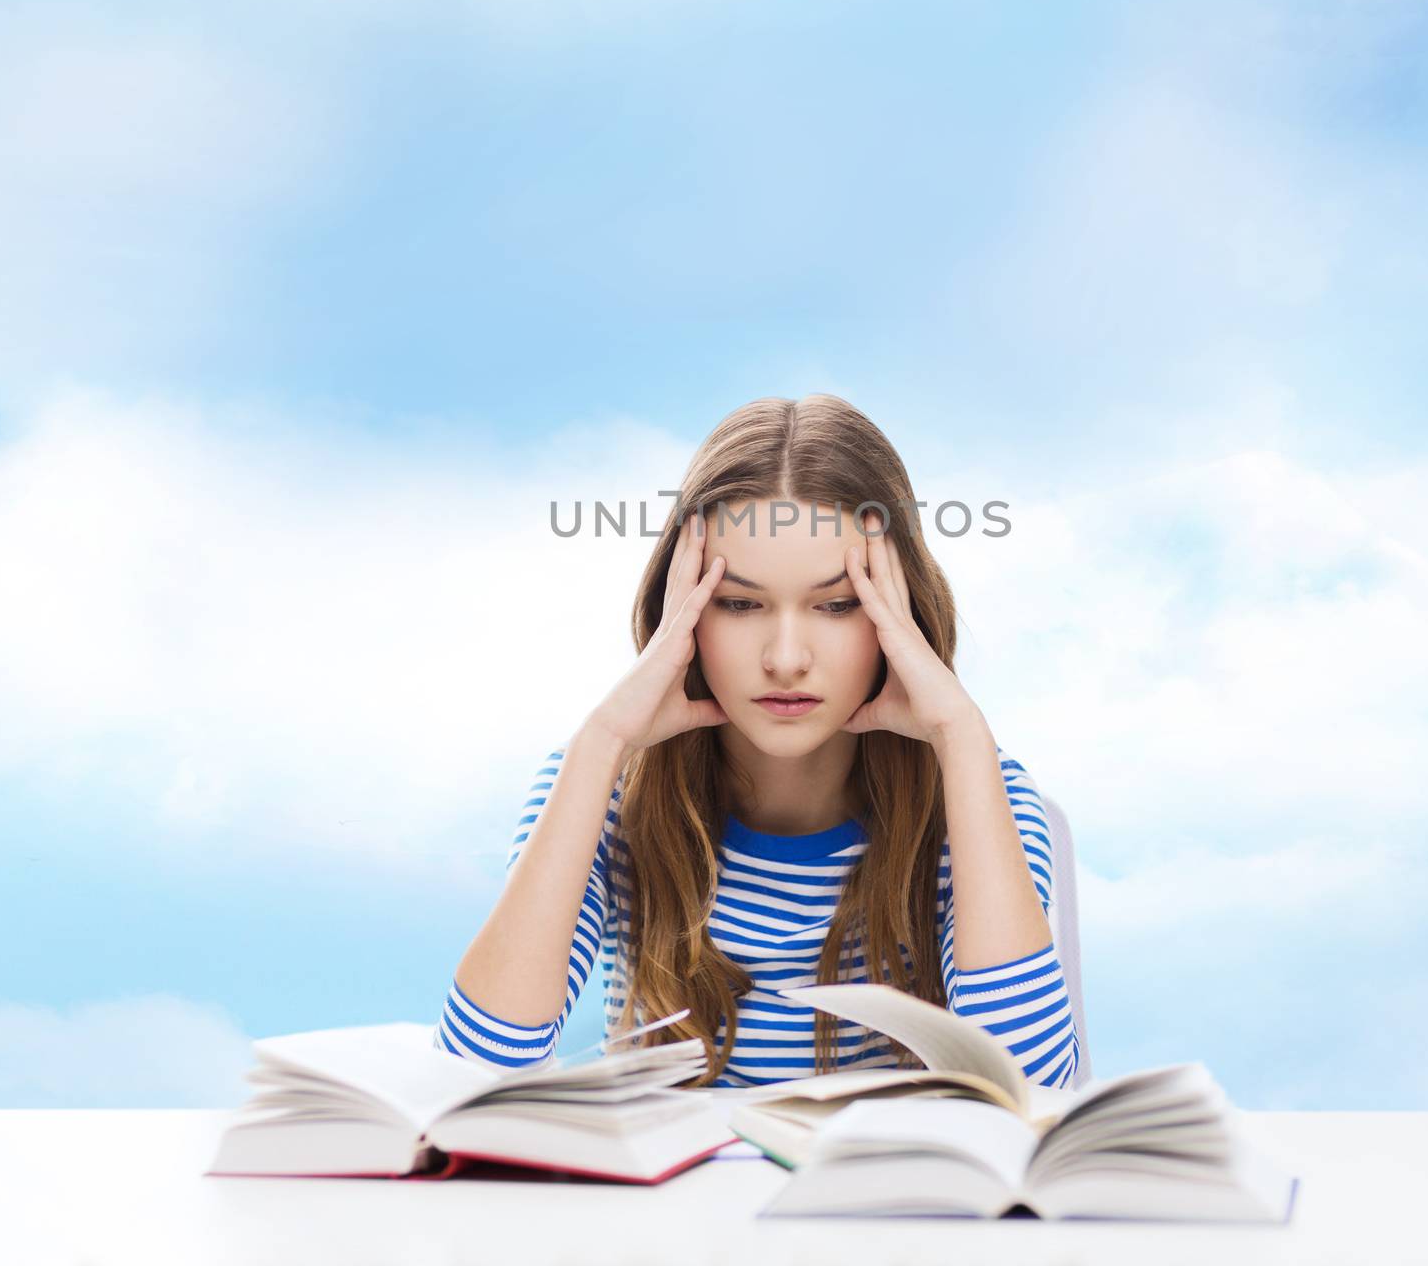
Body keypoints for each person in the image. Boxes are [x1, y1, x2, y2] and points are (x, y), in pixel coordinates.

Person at [433, 394, 1080, 1088]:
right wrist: (601, 742)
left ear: (902, 612)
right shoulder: (604, 786)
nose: (786, 657)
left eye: (837, 604)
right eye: (739, 604)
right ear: (680, 612)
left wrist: (960, 736)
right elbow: (475, 1074)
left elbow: (1033, 1093)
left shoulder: (982, 795)